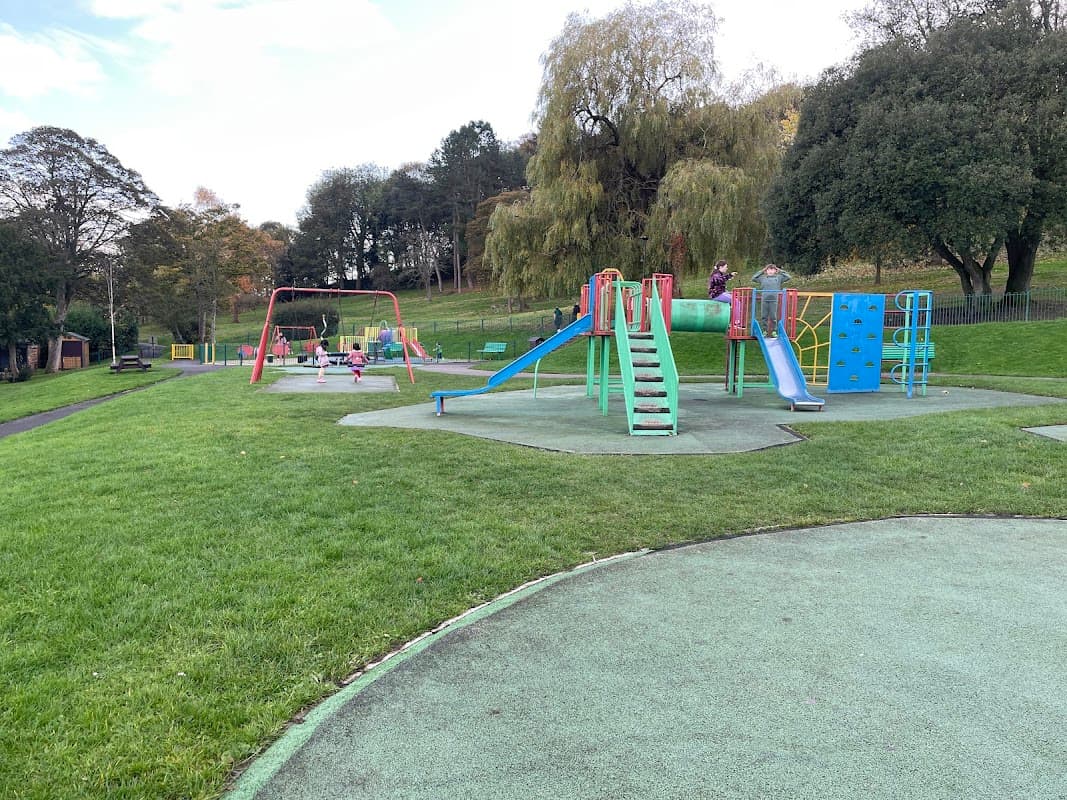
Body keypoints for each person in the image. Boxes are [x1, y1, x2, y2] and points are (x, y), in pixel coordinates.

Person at [751, 264, 792, 334]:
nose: (770, 271)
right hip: (764, 299)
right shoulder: (763, 278)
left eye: (772, 269)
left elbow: (789, 277)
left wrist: (780, 270)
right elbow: (753, 278)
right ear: (766, 271)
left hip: (774, 299)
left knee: (773, 316)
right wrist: (762, 271)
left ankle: (774, 331)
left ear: (775, 271)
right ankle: (764, 330)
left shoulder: (779, 278)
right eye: (768, 269)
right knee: (764, 316)